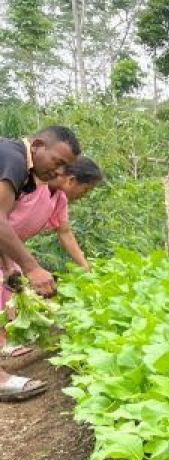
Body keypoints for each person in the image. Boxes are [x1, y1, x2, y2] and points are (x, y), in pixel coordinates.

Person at [0, 125, 80, 402]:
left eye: (65, 168)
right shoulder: (12, 158)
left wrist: (9, 264)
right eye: (57, 162)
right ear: (36, 146)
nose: (59, 173)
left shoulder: (21, 168)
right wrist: (32, 267)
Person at [0, 157, 103, 360]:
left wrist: (87, 268)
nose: (83, 196)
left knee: (12, 290)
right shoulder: (30, 189)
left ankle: (7, 340)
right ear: (71, 180)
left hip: (10, 253)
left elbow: (65, 232)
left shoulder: (59, 200)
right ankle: (3, 345)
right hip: (5, 246)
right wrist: (8, 263)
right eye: (85, 190)